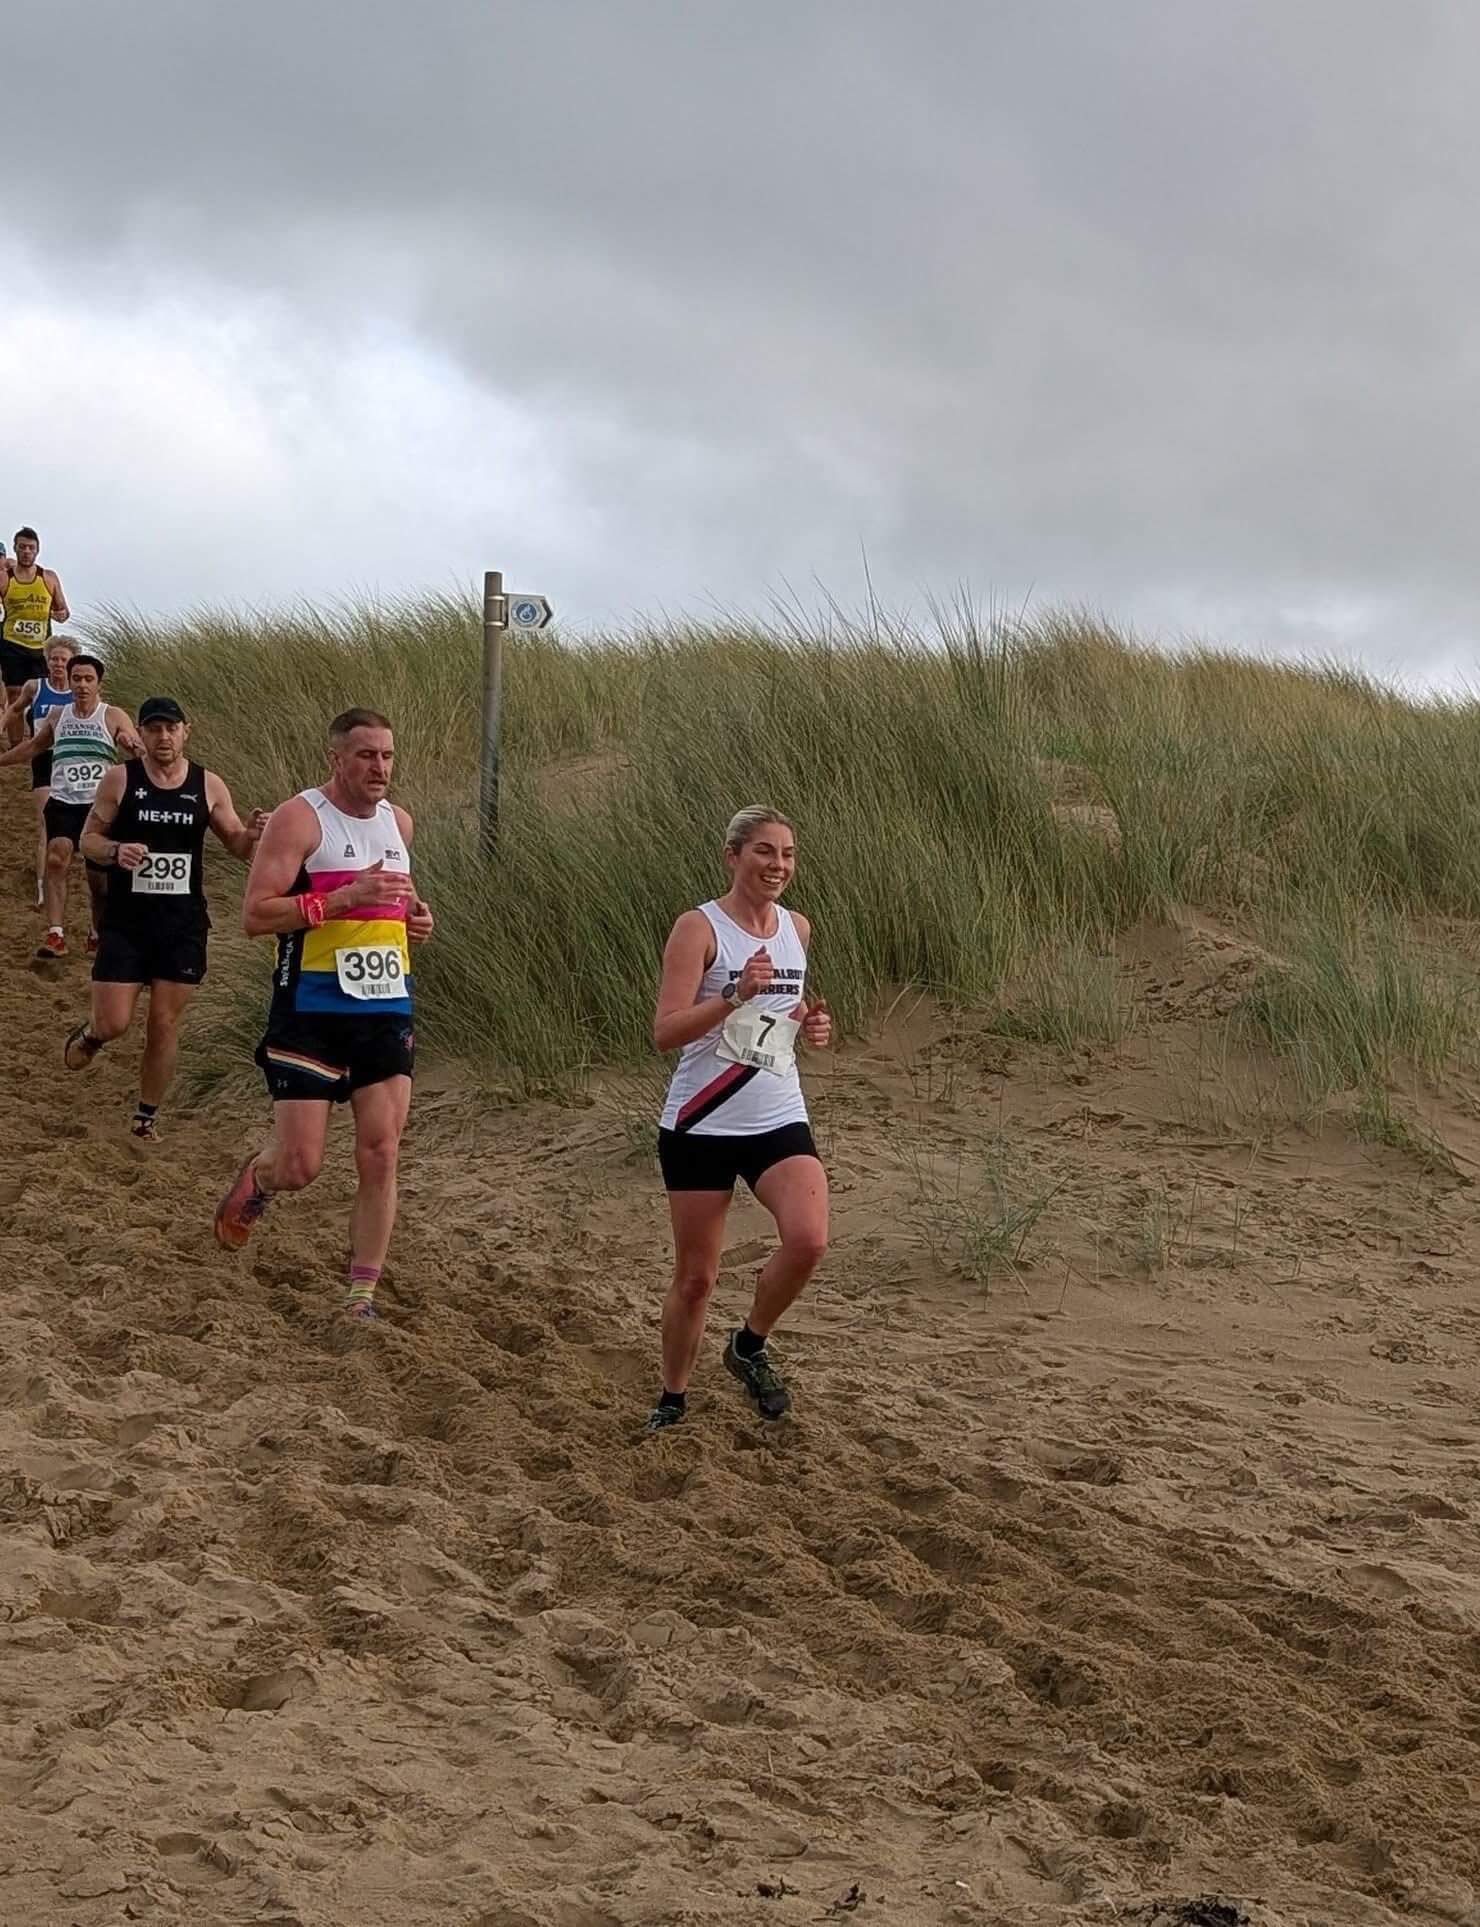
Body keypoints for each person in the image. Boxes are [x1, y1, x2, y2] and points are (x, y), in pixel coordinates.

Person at [213, 708, 434, 1319]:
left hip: (386, 1007)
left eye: (387, 755)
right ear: (336, 759)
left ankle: (362, 1293)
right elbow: (255, 915)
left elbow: (400, 903)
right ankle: (260, 1178)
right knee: (301, 1164)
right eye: (366, 755)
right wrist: (341, 899)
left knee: (382, 1151)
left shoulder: (399, 823)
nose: (380, 767)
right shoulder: (300, 819)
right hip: (310, 1009)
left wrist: (417, 921)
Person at [645, 806, 832, 1434]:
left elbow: (783, 1011)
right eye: (764, 852)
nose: (778, 865)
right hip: (701, 1122)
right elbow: (665, 1032)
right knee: (697, 1278)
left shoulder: (797, 928)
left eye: (787, 854)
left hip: (776, 1111)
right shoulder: (699, 928)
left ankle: (749, 1343)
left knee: (809, 1240)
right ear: (733, 856)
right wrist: (732, 995)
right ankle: (673, 1398)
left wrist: (810, 1023)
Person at [63, 696, 270, 1141]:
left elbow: (236, 843)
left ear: (185, 732)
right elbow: (88, 840)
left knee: (163, 1023)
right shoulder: (121, 780)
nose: (163, 737)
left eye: (171, 728)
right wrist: (116, 850)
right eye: (154, 729)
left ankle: (145, 1118)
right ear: (141, 734)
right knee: (115, 1022)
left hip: (182, 924)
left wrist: (253, 834)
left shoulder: (208, 784)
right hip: (127, 922)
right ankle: (94, 1035)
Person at [0, 654, 141, 960]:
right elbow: (34, 746)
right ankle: (56, 935)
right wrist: (2, 761)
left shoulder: (112, 715)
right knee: (56, 858)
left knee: (100, 884)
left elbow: (131, 742)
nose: (82, 685)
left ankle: (96, 933)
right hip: (63, 801)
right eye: (76, 678)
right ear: (70, 681)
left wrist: (132, 744)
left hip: (100, 809)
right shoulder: (58, 715)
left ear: (99, 683)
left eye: (88, 679)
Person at [0, 635, 80, 907]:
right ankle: (42, 888)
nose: (58, 664)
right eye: (53, 659)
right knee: (48, 824)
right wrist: (2, 726)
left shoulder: (79, 691)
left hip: (71, 760)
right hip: (43, 759)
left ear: (72, 664)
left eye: (63, 660)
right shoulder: (35, 686)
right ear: (46, 661)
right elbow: (15, 709)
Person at [0, 529, 70, 745]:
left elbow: (63, 610)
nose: (27, 552)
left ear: (37, 550)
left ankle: (41, 743)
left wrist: (58, 614)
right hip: (12, 642)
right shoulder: (5, 578)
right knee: (15, 694)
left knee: (43, 694)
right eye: (22, 547)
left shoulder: (48, 577)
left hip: (42, 646)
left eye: (31, 548)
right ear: (15, 549)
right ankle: (16, 747)